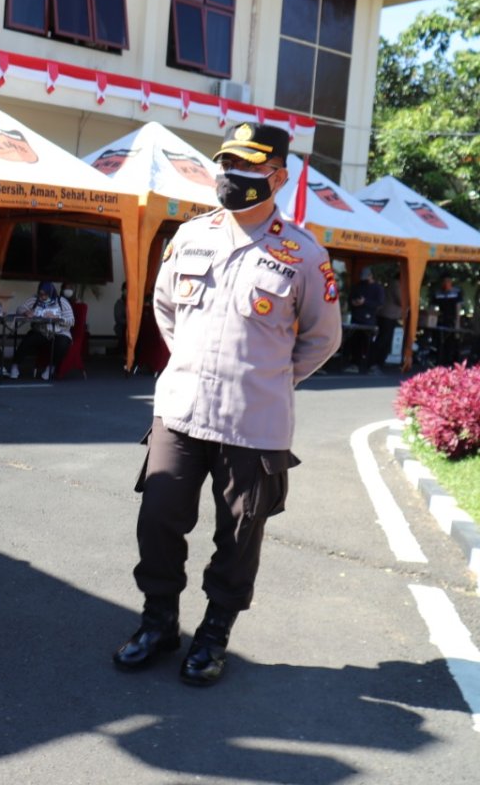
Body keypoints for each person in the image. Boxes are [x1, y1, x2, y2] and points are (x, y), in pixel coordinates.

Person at [112, 122, 341, 686]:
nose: (231, 177)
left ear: (278, 177)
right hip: (182, 409)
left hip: (254, 421)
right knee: (159, 518)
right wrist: (193, 362)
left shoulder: (304, 255)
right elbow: (166, 310)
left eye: (248, 168)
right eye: (226, 165)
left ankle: (213, 635)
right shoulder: (189, 237)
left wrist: (268, 379)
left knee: (239, 535)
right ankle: (158, 622)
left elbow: (322, 338)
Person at [8, 281, 74, 380]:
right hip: (41, 331)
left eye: (45, 294)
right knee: (28, 340)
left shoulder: (61, 301)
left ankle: (50, 368)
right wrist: (26, 312)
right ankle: (15, 366)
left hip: (59, 332)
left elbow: (71, 320)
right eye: (41, 294)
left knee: (62, 344)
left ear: (51, 292)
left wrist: (57, 318)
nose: (43, 297)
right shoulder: (34, 300)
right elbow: (20, 309)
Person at [344, 266, 383, 373]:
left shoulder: (378, 288)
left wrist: (365, 302)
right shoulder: (358, 286)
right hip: (356, 317)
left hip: (369, 320)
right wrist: (354, 302)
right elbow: (351, 298)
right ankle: (354, 363)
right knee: (355, 341)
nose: (364, 280)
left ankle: (370, 365)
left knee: (368, 342)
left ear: (371, 276)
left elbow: (379, 303)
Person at [371, 271, 404, 372]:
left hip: (386, 314)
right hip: (389, 315)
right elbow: (401, 300)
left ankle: (377, 362)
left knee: (383, 339)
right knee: (384, 339)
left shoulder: (392, 284)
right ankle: (375, 362)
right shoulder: (396, 285)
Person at [431, 274, 463, 365]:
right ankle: (440, 361)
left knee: (452, 342)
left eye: (448, 281)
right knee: (440, 342)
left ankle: (452, 362)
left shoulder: (456, 293)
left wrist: (457, 322)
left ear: (451, 282)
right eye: (444, 282)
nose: (446, 284)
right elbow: (433, 307)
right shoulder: (438, 293)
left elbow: (458, 308)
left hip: (452, 320)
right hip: (440, 320)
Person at [114, 280, 128, 359]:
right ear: (123, 291)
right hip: (122, 327)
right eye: (126, 290)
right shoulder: (119, 303)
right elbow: (119, 319)